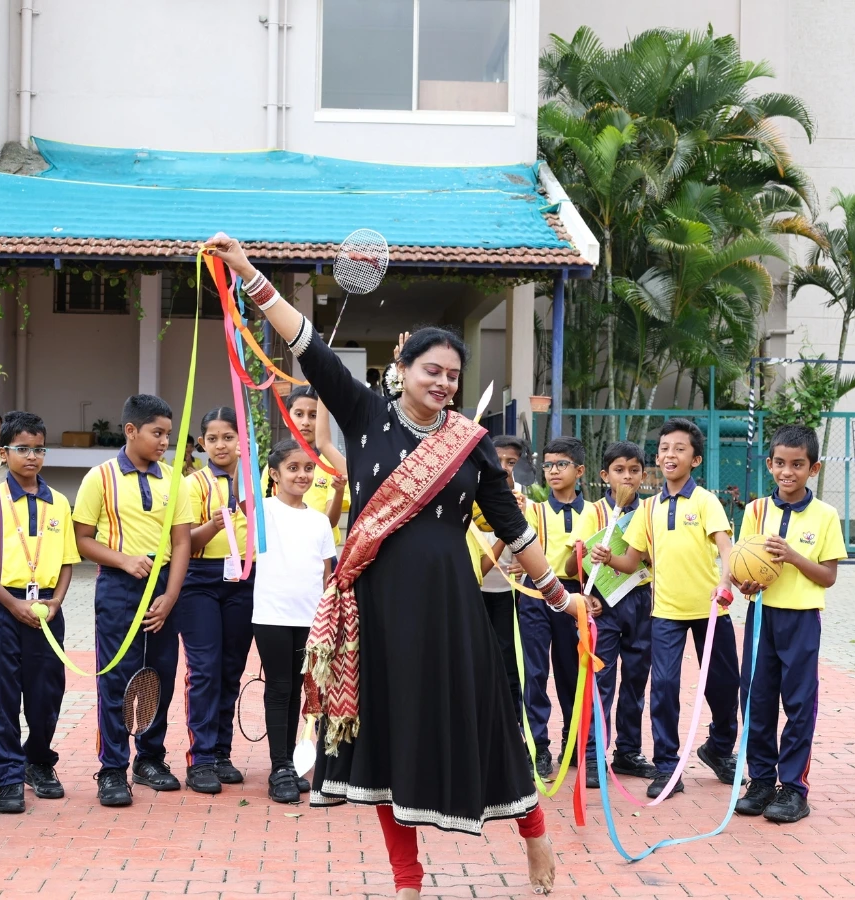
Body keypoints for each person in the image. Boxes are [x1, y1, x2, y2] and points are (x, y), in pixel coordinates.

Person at [207, 233, 583, 897]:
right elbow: (306, 345)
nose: (441, 383)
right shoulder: (364, 415)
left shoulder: (469, 444)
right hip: (377, 612)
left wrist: (560, 597)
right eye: (429, 370)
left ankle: (534, 835)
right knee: (385, 741)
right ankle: (406, 878)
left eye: (452, 376)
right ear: (402, 368)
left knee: (486, 722)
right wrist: (248, 272)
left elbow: (515, 528)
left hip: (453, 610)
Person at [592, 418, 738, 799]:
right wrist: (608, 557)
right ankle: (668, 767)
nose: (669, 455)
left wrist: (725, 583)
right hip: (666, 613)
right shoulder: (648, 508)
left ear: (696, 460)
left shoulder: (706, 501)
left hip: (711, 612)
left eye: (680, 449)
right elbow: (634, 562)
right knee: (665, 687)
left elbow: (726, 548)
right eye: (664, 449)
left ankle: (719, 748)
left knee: (724, 687)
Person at [73, 394, 193, 807]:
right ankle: (111, 769)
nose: (164, 442)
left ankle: (150, 759)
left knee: (159, 676)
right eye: (156, 433)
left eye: (168, 435)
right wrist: (123, 559)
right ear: (131, 430)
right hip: (119, 588)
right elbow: (82, 539)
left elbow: (182, 543)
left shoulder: (175, 480)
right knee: (117, 680)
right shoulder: (100, 478)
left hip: (164, 586)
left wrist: (171, 595)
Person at [0, 411, 80, 815]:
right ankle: (9, 775)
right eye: (22, 449)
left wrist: (57, 601)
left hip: (48, 606)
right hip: (2, 606)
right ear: (5, 452)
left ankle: (38, 760)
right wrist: (11, 604)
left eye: (38, 449)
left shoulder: (59, 502)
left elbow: (68, 560)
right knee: (3, 694)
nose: (32, 456)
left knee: (47, 694)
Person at [731, 424, 846, 823]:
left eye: (797, 465)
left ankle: (794, 788)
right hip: (761, 617)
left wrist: (794, 557)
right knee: (756, 700)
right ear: (769, 464)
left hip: (802, 620)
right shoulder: (755, 510)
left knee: (798, 704)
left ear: (813, 468)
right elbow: (740, 567)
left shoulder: (826, 515)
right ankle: (761, 780)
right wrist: (744, 581)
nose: (787, 472)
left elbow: (828, 575)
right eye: (780, 463)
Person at [565, 440, 657, 789]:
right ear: (605, 475)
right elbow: (576, 557)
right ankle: (591, 756)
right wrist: (586, 593)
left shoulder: (649, 511)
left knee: (636, 678)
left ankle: (629, 751)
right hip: (602, 605)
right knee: (599, 681)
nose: (627, 477)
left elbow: (653, 554)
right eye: (619, 470)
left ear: (644, 475)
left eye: (634, 470)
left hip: (638, 601)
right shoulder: (594, 512)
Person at [254, 439, 336, 804]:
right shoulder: (263, 511)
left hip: (310, 619)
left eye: (307, 468)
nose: (301, 474)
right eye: (292, 468)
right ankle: (279, 768)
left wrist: (327, 619)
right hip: (271, 616)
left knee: (301, 692)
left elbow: (326, 576)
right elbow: (241, 493)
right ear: (274, 474)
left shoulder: (319, 521)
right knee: (279, 688)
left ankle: (287, 763)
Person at [180, 407, 254, 794]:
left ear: (242, 442)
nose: (221, 445)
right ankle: (201, 758)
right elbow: (187, 542)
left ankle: (221, 753)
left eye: (228, 437)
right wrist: (220, 518)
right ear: (202, 444)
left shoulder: (256, 481)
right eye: (213, 438)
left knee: (230, 669)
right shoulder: (194, 484)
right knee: (205, 669)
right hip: (201, 581)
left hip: (245, 579)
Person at [518, 437, 587, 779]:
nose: (553, 471)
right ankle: (538, 748)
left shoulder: (598, 511)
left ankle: (573, 743)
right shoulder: (534, 509)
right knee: (534, 672)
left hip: (575, 596)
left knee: (572, 671)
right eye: (547, 465)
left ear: (580, 470)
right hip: (535, 593)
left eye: (561, 464)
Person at [472, 434, 525, 714]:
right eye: (498, 459)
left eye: (511, 462)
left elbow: (533, 543)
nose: (503, 466)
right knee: (477, 653)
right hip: (477, 588)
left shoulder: (524, 497)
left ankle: (513, 715)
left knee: (509, 653)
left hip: (509, 591)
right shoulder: (470, 493)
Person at [270, 386, 349, 546]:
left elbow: (331, 521)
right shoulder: (274, 463)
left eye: (313, 415)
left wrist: (339, 490)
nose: (305, 422)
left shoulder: (335, 465)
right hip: (284, 548)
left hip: (321, 550)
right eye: (299, 414)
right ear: (286, 418)